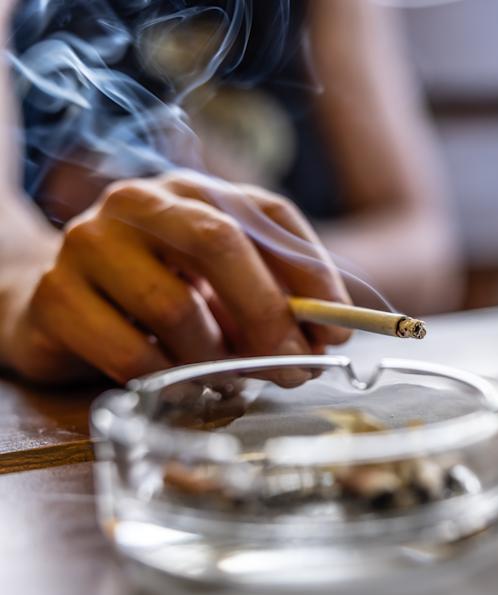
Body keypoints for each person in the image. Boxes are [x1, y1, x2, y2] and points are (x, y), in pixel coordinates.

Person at [0, 0, 460, 385]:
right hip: (98, 399)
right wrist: (31, 297)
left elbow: (423, 247)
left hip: (295, 394)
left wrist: (254, 269)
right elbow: (10, 258)